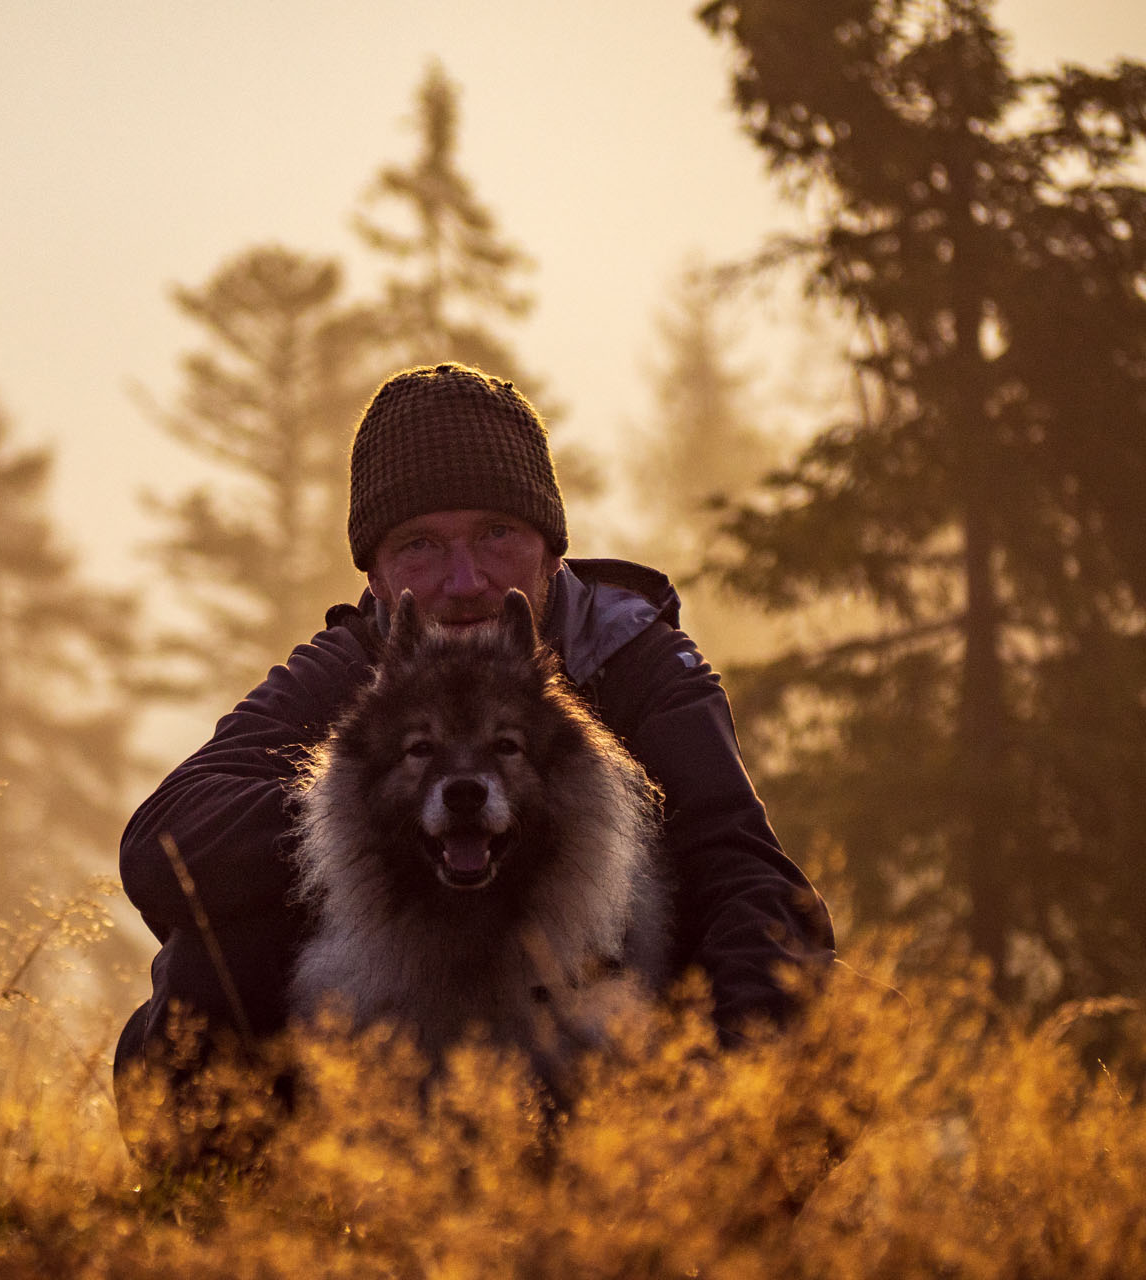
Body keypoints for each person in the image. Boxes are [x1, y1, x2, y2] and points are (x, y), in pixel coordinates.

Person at [113, 362, 834, 1156]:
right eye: (420, 546)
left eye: (496, 533)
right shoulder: (355, 666)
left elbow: (745, 875)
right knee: (210, 962)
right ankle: (220, 1227)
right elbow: (161, 846)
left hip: (616, 1016)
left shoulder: (634, 660)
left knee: (823, 1013)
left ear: (551, 549)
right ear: (377, 577)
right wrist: (359, 811)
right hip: (388, 1028)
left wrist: (739, 1095)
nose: (465, 582)